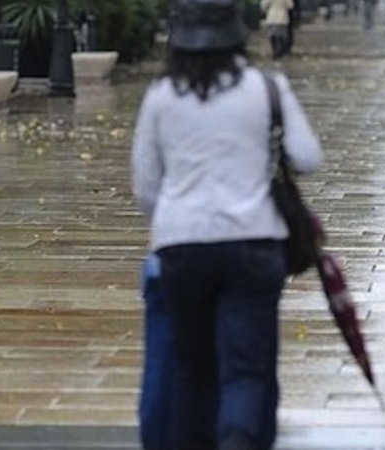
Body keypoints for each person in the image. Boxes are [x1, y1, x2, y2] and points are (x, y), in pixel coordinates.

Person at [131, 0, 324, 448]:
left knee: (191, 369)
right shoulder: (266, 88)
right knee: (247, 370)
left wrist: (176, 220)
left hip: (182, 246)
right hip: (254, 243)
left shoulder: (161, 96)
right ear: (237, 34)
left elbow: (146, 186)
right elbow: (308, 157)